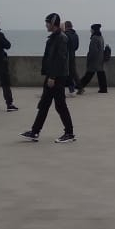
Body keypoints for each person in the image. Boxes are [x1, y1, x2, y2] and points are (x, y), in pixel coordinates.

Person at [21, 13, 75, 143]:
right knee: (44, 104)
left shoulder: (61, 38)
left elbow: (60, 59)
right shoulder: (54, 37)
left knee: (60, 105)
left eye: (47, 23)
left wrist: (52, 77)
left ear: (53, 24)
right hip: (51, 75)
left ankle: (69, 133)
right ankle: (35, 131)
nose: (46, 25)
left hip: (57, 76)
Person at [77, 23, 108, 94]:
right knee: (100, 74)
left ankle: (79, 86)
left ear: (94, 30)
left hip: (94, 60)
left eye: (91, 29)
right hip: (100, 59)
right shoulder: (101, 37)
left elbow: (93, 51)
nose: (90, 30)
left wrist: (89, 59)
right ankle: (103, 89)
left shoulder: (94, 38)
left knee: (89, 74)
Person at [64, 21, 80, 95]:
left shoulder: (65, 34)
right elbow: (77, 46)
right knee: (73, 72)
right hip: (72, 55)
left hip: (66, 56)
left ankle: (72, 90)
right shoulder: (75, 35)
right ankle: (79, 88)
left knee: (68, 73)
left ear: (66, 26)